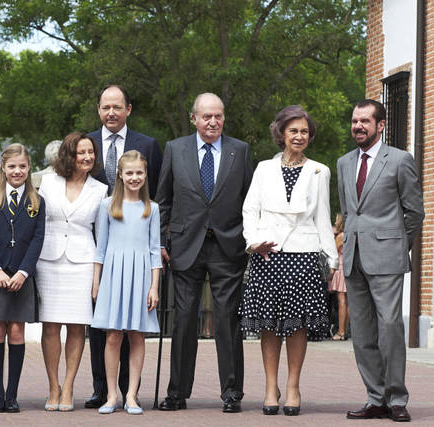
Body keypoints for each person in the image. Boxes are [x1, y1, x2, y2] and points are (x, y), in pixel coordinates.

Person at [156, 92, 253, 413]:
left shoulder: (240, 151)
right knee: (183, 321)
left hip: (228, 246)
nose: (213, 122)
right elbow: (164, 201)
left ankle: (231, 393)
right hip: (185, 247)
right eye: (206, 116)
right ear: (193, 118)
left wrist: (251, 238)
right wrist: (160, 241)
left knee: (228, 320)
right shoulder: (175, 149)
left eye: (218, 116)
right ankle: (177, 393)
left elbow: (250, 202)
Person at [239, 105, 338, 416]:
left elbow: (323, 216)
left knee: (298, 326)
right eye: (293, 130)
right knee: (269, 325)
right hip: (268, 254)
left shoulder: (320, 171)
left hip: (305, 255)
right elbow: (249, 210)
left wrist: (331, 259)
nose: (299, 136)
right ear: (281, 133)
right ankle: (271, 386)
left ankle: (293, 386)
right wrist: (253, 242)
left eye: (304, 131)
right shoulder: (263, 168)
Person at [338, 99, 424, 422]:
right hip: (354, 259)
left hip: (387, 257)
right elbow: (349, 211)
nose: (358, 126)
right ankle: (376, 398)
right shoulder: (344, 162)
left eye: (364, 121)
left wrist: (396, 244)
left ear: (381, 125)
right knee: (361, 333)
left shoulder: (400, 160)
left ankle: (397, 398)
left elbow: (415, 212)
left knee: (389, 328)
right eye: (354, 121)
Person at [85, 84, 163, 409]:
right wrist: (96, 278)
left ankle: (131, 393)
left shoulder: (148, 146)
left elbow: (154, 245)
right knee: (108, 334)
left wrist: (155, 284)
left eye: (117, 106)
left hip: (140, 270)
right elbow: (100, 246)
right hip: (111, 266)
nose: (111, 112)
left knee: (136, 335)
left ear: (128, 109)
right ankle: (105, 391)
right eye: (106, 107)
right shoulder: (88, 143)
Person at [37, 132, 107, 411]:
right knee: (51, 326)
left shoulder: (100, 190)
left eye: (91, 152)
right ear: (69, 155)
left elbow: (101, 237)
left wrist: (97, 278)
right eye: (81, 152)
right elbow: (37, 223)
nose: (87, 157)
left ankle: (68, 387)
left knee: (77, 327)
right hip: (48, 260)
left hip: (82, 264)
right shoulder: (49, 182)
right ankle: (52, 386)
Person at [0, 143, 45, 413]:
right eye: (12, 166)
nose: (17, 171)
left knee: (16, 331)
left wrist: (23, 272)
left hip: (21, 278)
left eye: (23, 166)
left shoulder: (37, 201)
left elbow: (38, 240)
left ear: (29, 169)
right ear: (3, 168)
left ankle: (12, 396)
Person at [329, 213, 348, 340]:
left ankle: (340, 332)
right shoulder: (349, 235)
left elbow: (333, 251)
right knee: (348, 302)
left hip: (341, 268)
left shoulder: (340, 237)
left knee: (341, 300)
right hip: (348, 267)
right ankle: (345, 330)